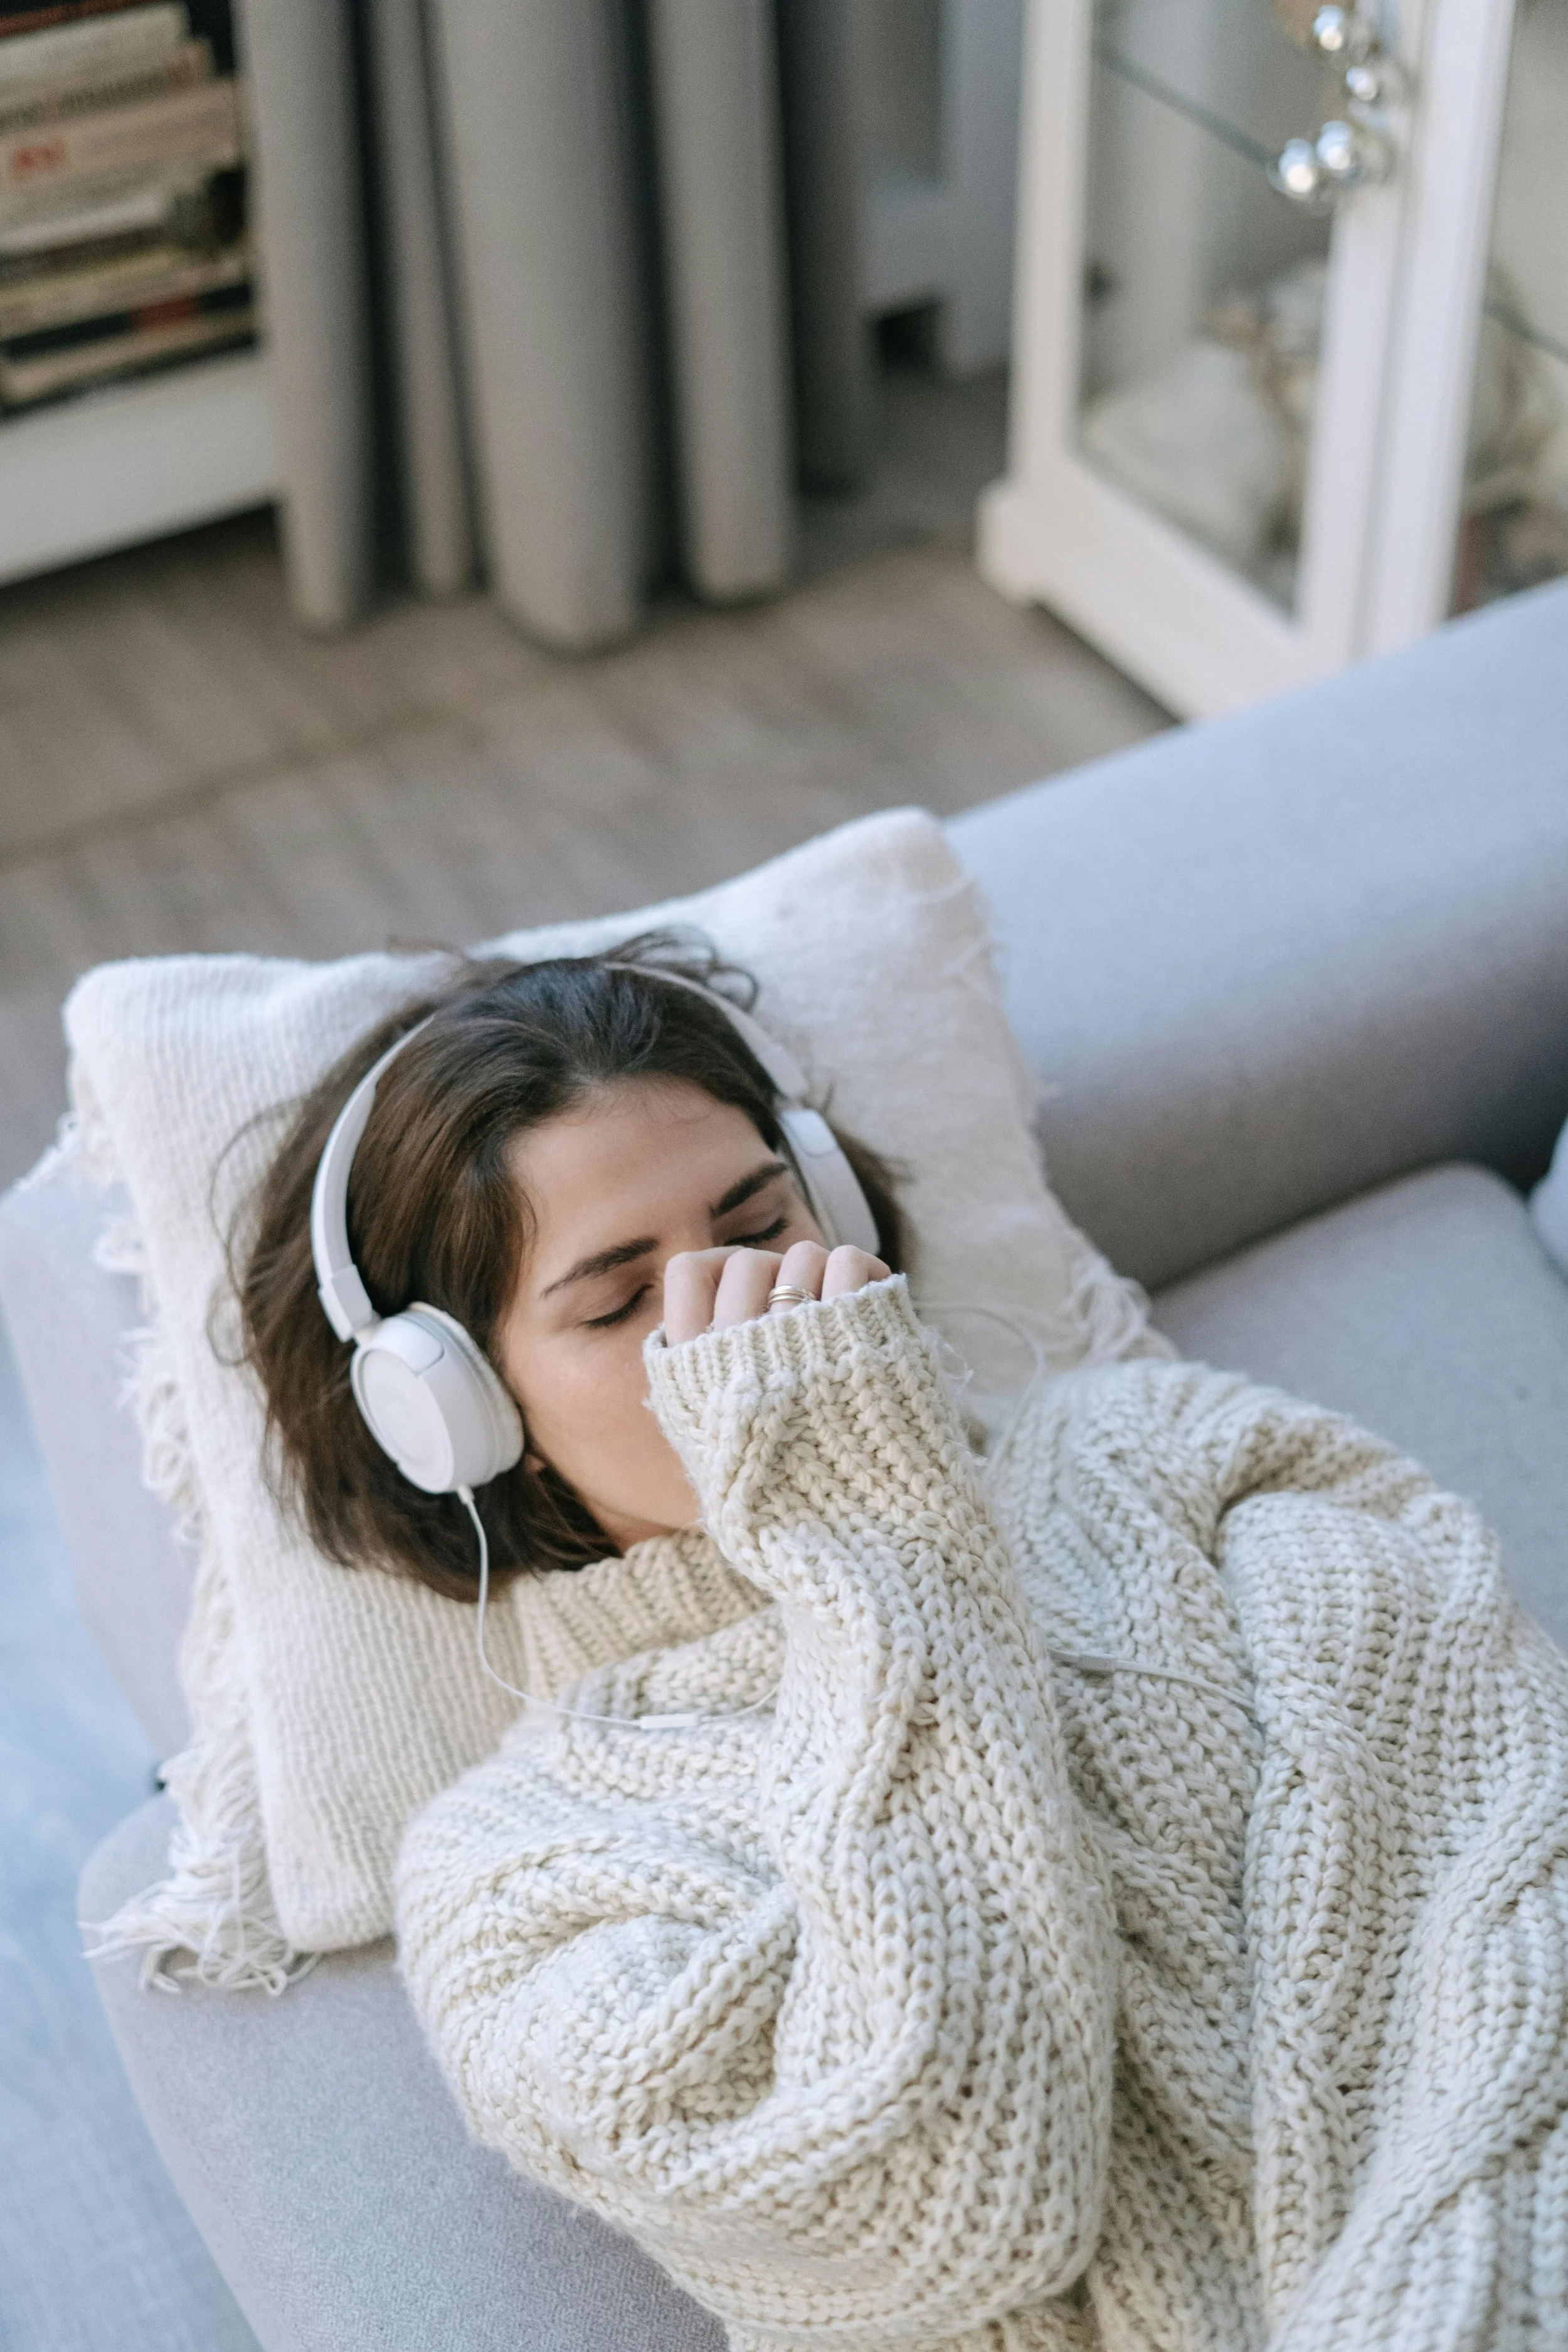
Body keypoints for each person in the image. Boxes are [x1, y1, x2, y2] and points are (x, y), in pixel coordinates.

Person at [242, 941, 1568, 2352]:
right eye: (621, 1303)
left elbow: (1510, 1904)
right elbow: (948, 2213)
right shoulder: (511, 1880)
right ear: (453, 1412)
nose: (733, 1318)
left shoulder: (1168, 1457)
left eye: (759, 1225)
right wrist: (861, 1541)